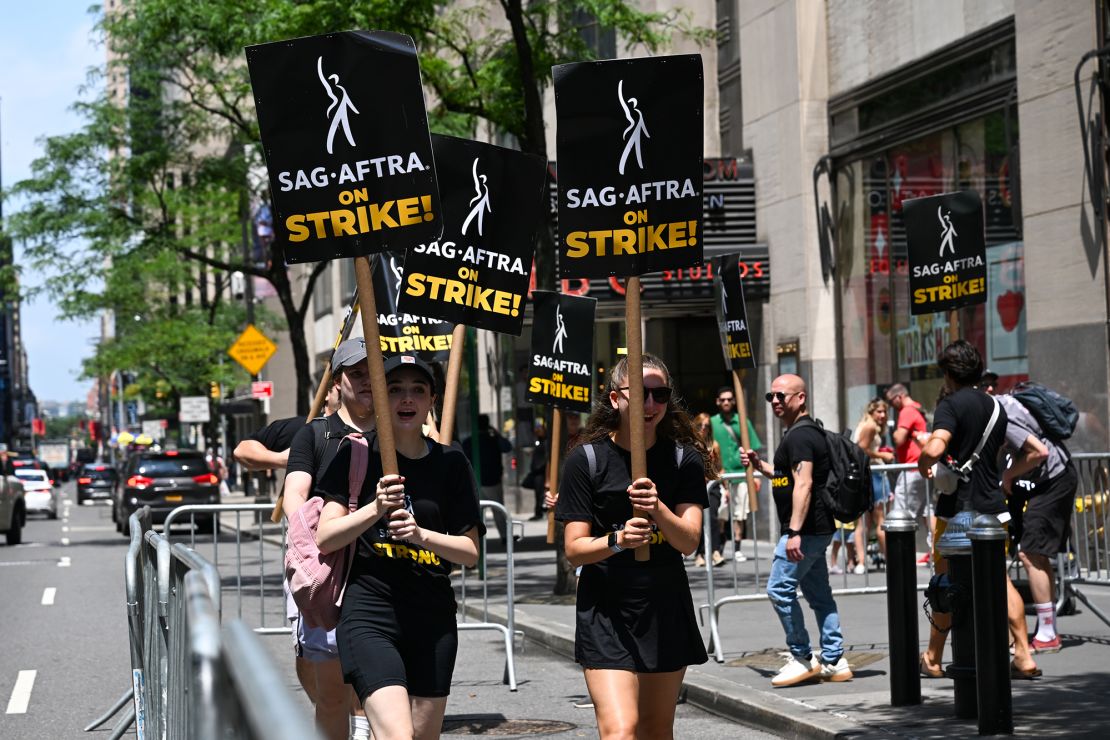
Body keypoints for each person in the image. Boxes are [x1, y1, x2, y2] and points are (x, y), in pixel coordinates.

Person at [315, 354, 482, 740]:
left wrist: (421, 535)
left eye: (417, 391)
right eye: (395, 390)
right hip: (370, 613)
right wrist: (376, 508)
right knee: (398, 736)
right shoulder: (355, 454)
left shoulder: (452, 461)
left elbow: (470, 553)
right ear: (378, 398)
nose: (406, 399)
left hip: (433, 618)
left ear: (431, 401)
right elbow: (327, 536)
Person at [555, 354, 708, 738]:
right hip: (606, 609)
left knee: (656, 730)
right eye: (640, 393)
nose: (651, 404)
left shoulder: (682, 460)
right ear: (614, 399)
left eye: (660, 395)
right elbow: (574, 549)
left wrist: (657, 508)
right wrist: (618, 540)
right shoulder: (585, 461)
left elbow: (689, 541)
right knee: (622, 730)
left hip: (664, 606)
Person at [918, 340, 1039, 679]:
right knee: (999, 580)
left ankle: (933, 657)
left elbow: (939, 441)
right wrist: (1004, 476)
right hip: (992, 508)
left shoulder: (950, 405)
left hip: (957, 511)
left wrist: (925, 458)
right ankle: (1024, 655)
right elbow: (1032, 450)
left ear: (947, 374)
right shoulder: (997, 406)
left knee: (945, 582)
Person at [283, 339, 378, 740]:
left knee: (382, 688)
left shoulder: (399, 432)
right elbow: (294, 498)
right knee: (332, 695)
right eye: (356, 373)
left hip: (382, 572)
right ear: (338, 380)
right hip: (328, 572)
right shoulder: (316, 435)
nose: (366, 380)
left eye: (373, 371)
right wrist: (315, 540)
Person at [741, 374, 852, 687]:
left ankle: (802, 657)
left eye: (782, 396)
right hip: (814, 529)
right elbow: (786, 478)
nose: (775, 401)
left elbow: (803, 484)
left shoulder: (801, 436)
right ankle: (834, 659)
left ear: (801, 398)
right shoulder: (800, 434)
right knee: (819, 595)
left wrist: (793, 532)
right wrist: (760, 464)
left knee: (779, 588)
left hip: (806, 530)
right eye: (770, 396)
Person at [998, 389, 1078, 653]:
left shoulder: (1003, 417)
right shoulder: (1004, 406)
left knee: (1031, 554)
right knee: (1037, 555)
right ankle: (1047, 630)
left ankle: (1047, 634)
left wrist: (1009, 475)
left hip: (1054, 479)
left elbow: (1039, 452)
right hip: (1053, 478)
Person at [711, 386, 762, 562]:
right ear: (717, 401)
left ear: (733, 401)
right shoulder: (712, 423)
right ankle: (719, 548)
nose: (726, 402)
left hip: (741, 475)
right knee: (721, 514)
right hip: (720, 477)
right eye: (722, 399)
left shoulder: (743, 421)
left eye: (729, 399)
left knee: (739, 514)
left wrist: (755, 475)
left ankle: (738, 549)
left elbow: (753, 449)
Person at [885, 383, 932, 563]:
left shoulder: (906, 411)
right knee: (928, 512)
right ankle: (934, 552)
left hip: (912, 468)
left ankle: (901, 556)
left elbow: (898, 438)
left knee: (903, 514)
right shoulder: (918, 408)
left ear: (899, 396)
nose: (891, 406)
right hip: (921, 467)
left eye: (891, 401)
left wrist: (896, 431)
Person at [854, 398, 894, 567]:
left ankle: (861, 562)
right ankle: (889, 560)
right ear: (871, 412)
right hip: (874, 475)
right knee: (881, 521)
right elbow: (861, 449)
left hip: (866, 475)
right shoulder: (870, 427)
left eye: (885, 411)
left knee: (864, 522)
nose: (883, 415)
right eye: (879, 411)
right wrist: (882, 456)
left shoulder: (866, 425)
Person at [462, 414, 512, 542]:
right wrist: (496, 433)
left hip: (476, 481)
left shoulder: (469, 441)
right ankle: (505, 537)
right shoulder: (493, 439)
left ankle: (474, 539)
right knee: (499, 511)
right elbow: (507, 447)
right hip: (492, 480)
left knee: (475, 512)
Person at [692, 413, 726, 567]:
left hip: (713, 486)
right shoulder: (689, 444)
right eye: (700, 425)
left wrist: (725, 487)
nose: (703, 428)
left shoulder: (715, 444)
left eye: (707, 426)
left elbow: (720, 468)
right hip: (695, 486)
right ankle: (699, 554)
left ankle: (715, 551)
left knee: (712, 518)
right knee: (699, 520)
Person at [528, 422, 548, 521]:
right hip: (537, 472)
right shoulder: (538, 441)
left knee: (540, 494)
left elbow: (546, 459)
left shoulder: (545, 442)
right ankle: (538, 512)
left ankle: (540, 512)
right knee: (538, 494)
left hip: (541, 472)